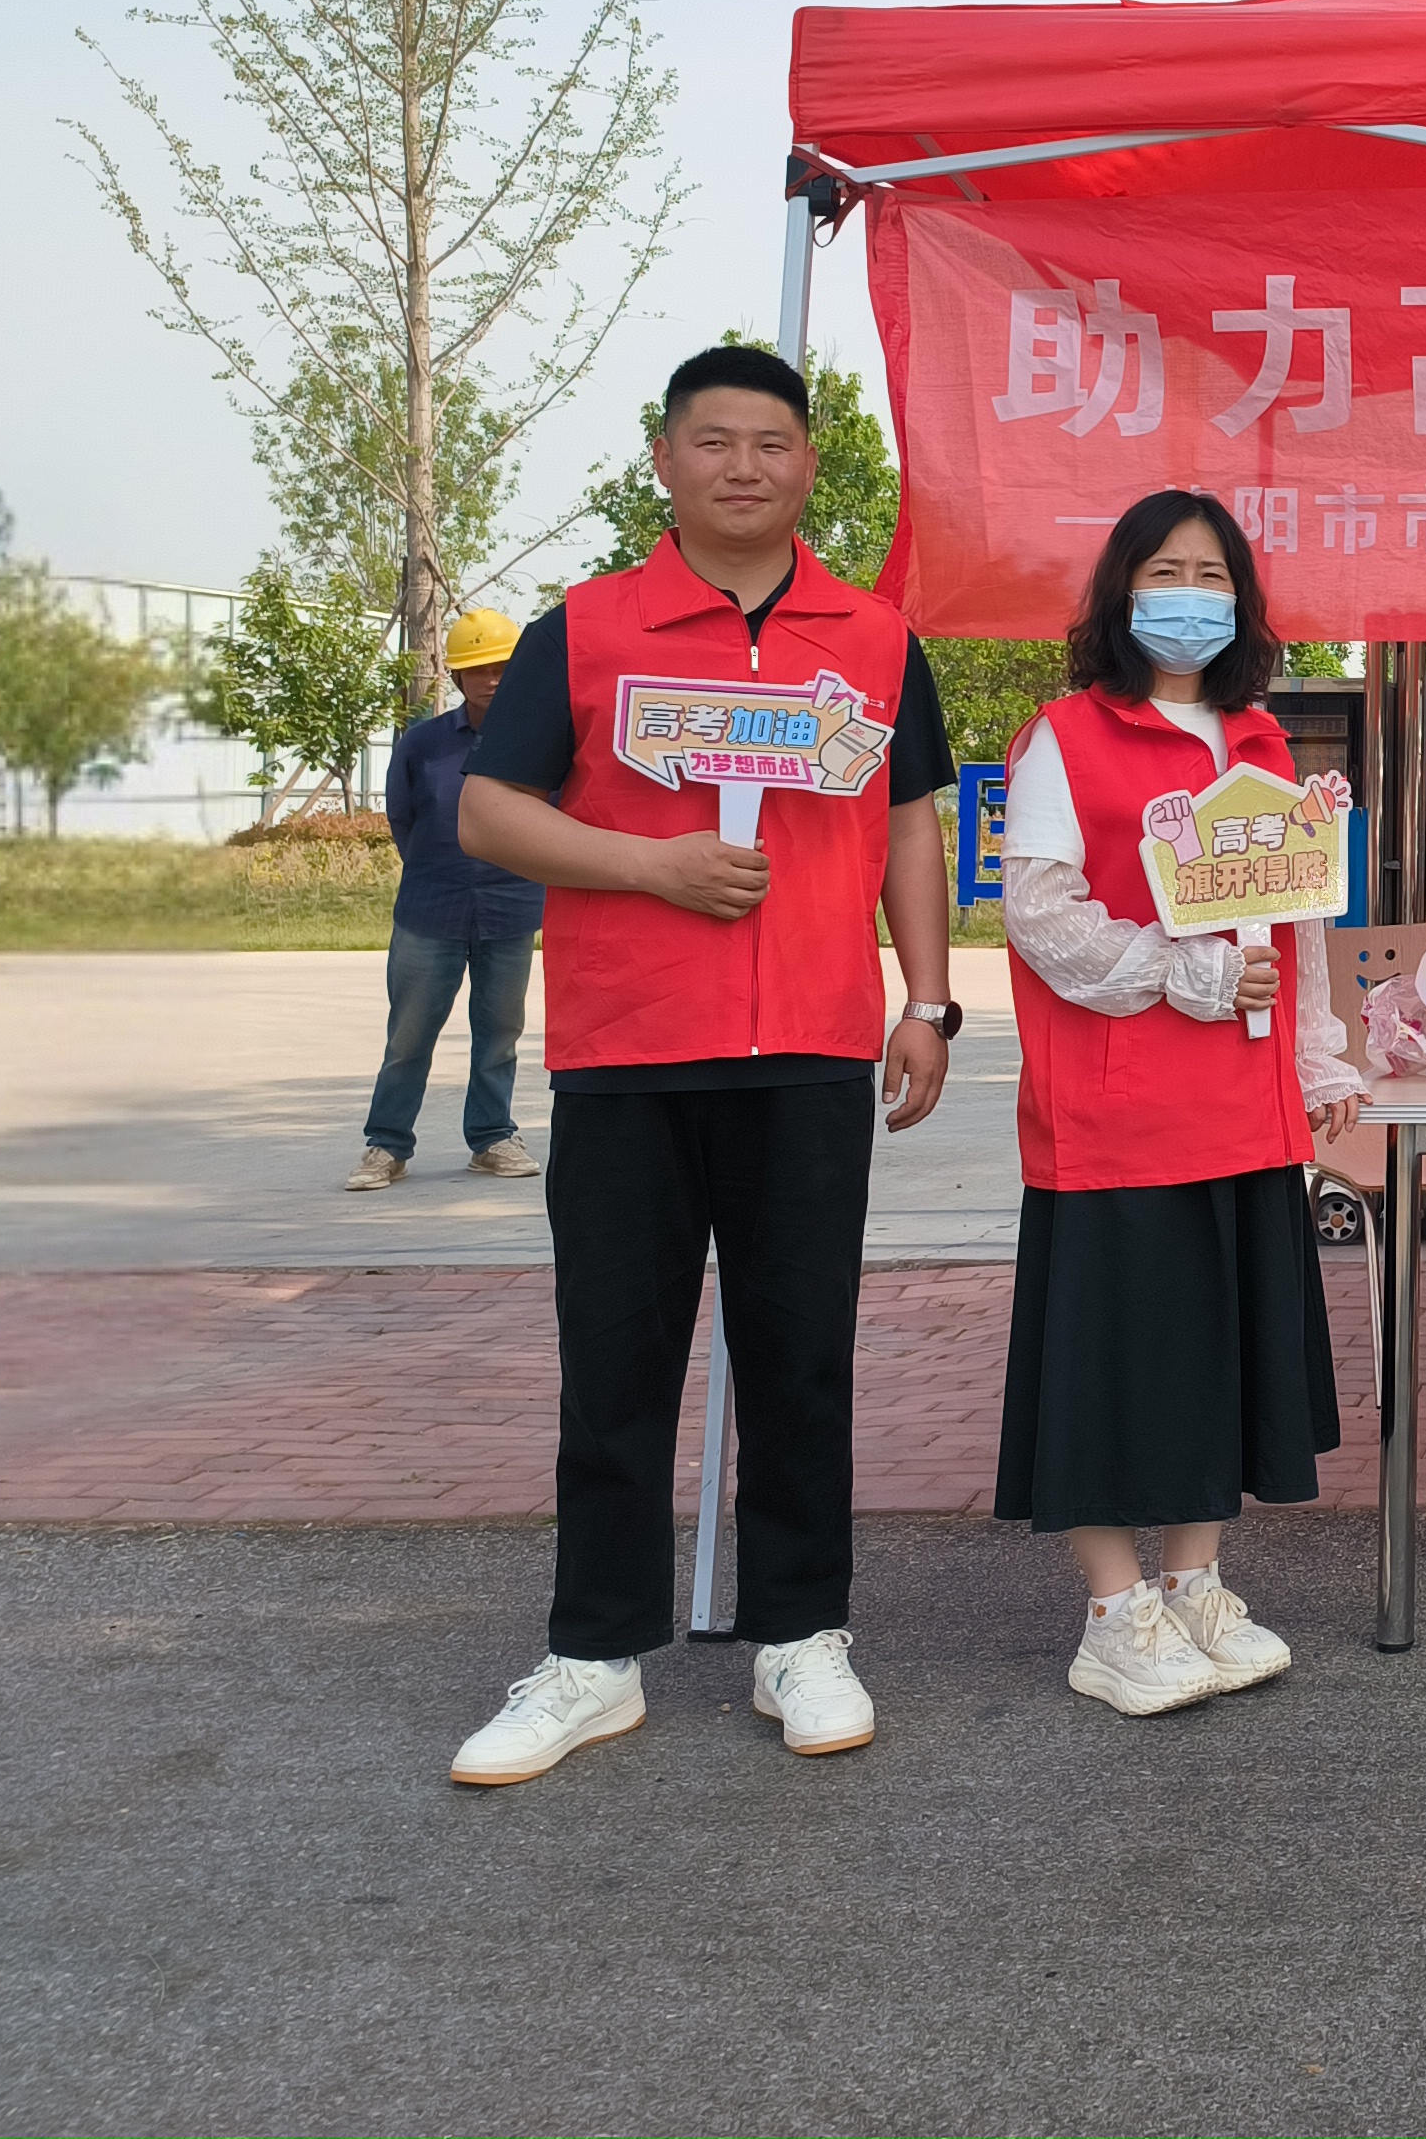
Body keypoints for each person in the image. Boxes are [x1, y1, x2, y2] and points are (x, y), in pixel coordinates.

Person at [442, 344, 960, 1789]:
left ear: (810, 467)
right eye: (714, 441)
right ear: (664, 460)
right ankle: (593, 1656)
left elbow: (908, 820)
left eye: (772, 443)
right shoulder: (587, 628)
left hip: (809, 1048)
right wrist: (648, 865)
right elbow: (490, 810)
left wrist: (927, 1001)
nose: (744, 466)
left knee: (801, 1356)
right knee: (615, 1360)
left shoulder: (872, 637)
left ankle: (802, 1634)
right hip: (630, 1050)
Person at [992, 489, 1362, 1714]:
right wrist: (1183, 972)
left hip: (1243, 1112)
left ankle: (1194, 1583)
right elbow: (1040, 915)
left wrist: (1316, 1060)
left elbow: (1298, 921)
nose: (1189, 597)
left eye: (1212, 576)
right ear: (1121, 589)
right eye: (1165, 571)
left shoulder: (1259, 742)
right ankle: (1113, 1612)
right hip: (1116, 1116)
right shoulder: (1064, 736)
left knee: (1219, 1358)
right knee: (1108, 1366)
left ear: (1242, 603)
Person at [347, 608, 545, 1190]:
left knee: (500, 1034)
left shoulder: (541, 742)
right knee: (408, 1037)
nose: (492, 679)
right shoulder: (423, 744)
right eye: (478, 669)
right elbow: (404, 819)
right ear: (456, 676)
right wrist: (442, 870)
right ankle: (387, 1145)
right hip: (430, 911)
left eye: (503, 667)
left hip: (510, 910)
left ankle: (492, 1138)